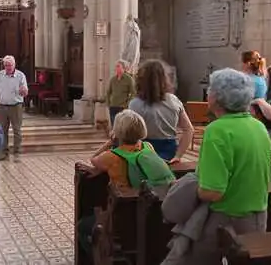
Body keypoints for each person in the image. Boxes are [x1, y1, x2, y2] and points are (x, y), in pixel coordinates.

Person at [184, 68, 271, 264]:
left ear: (217, 97)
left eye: (210, 90)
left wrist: (188, 190)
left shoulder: (217, 130)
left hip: (227, 221)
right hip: (258, 216)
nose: (208, 93)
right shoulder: (258, 126)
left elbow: (212, 192)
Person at [75, 109, 176, 261]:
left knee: (83, 226)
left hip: (123, 219)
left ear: (118, 132)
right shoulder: (147, 148)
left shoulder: (112, 156)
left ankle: (98, 259)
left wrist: (110, 142)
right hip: (154, 215)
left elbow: (93, 159)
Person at [129, 60, 194, 163]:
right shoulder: (174, 100)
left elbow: (127, 134)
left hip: (143, 152)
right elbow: (188, 129)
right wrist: (178, 155)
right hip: (169, 151)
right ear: (164, 79)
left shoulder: (135, 104)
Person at [106, 59, 135, 127]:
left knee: (122, 125)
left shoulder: (129, 79)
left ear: (124, 68)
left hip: (122, 106)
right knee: (114, 125)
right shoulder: (113, 79)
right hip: (113, 106)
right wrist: (108, 103)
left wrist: (127, 103)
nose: (116, 68)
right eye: (116, 66)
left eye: (118, 66)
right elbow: (108, 92)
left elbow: (133, 93)